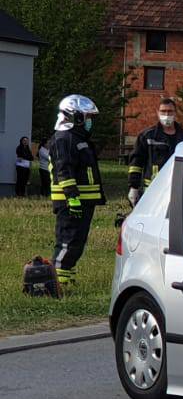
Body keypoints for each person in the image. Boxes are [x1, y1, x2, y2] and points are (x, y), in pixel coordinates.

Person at [47, 94, 103, 292]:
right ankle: (57, 283)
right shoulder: (64, 139)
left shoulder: (77, 138)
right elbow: (64, 169)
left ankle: (66, 278)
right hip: (70, 201)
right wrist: (72, 197)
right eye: (87, 118)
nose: (89, 122)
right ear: (76, 117)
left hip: (82, 201)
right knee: (67, 241)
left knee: (77, 243)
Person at [128, 97, 183, 205]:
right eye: (163, 111)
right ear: (158, 112)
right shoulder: (147, 137)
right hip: (153, 191)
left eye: (170, 111)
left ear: (175, 113)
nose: (166, 115)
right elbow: (136, 163)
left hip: (178, 190)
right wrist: (133, 187)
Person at [14, 134, 31, 198]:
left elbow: (31, 157)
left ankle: (23, 193)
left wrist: (25, 157)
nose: (26, 141)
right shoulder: (19, 148)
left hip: (26, 166)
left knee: (25, 180)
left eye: (27, 140)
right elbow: (21, 155)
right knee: (20, 180)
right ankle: (18, 193)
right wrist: (26, 157)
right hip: (20, 166)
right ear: (21, 141)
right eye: (24, 140)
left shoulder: (27, 148)